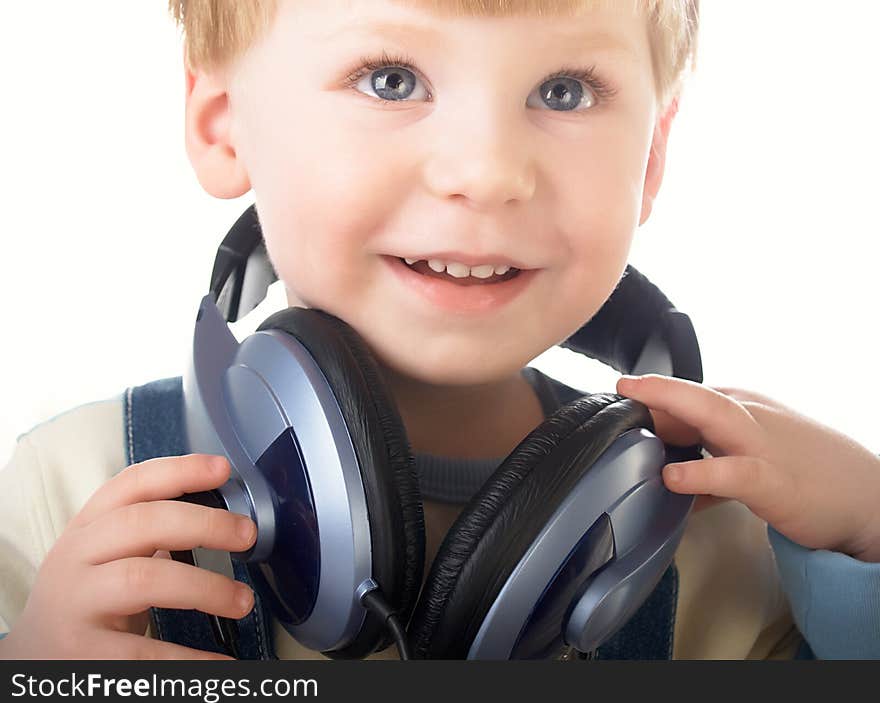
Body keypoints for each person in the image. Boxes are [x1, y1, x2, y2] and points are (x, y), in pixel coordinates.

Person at [1, 0, 878, 660]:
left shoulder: (721, 541)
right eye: (391, 79)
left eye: (564, 91)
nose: (487, 172)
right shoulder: (74, 487)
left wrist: (868, 534)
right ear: (222, 123)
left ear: (651, 157)